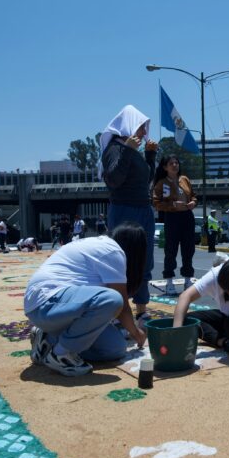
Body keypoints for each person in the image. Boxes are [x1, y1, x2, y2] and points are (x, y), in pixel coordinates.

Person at [24, 223, 148, 377]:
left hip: (48, 306)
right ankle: (61, 355)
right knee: (113, 299)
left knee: (115, 348)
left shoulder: (98, 244)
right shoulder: (114, 252)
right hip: (48, 303)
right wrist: (137, 333)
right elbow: (121, 306)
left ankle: (49, 339)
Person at [98, 105, 158, 322]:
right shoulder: (115, 148)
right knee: (122, 261)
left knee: (145, 259)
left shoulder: (131, 149)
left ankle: (141, 311)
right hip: (124, 209)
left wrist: (150, 156)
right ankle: (117, 312)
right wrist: (128, 150)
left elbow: (146, 180)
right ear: (129, 126)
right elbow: (113, 179)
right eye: (141, 127)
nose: (143, 133)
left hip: (143, 208)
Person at [152, 154, 197, 295]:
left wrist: (193, 203)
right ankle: (169, 281)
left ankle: (188, 280)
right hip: (172, 217)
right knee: (170, 250)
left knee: (188, 249)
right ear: (165, 167)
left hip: (187, 216)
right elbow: (156, 203)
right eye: (171, 163)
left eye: (176, 163)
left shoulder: (185, 179)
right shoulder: (161, 183)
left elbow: (194, 195)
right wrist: (172, 204)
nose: (175, 165)